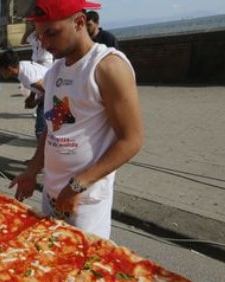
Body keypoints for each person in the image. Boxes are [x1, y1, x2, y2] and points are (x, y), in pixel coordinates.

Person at [10, 0, 143, 239]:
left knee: (81, 267)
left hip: (84, 199)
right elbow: (50, 131)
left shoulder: (108, 67)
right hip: (52, 193)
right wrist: (32, 170)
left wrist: (76, 186)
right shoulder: (54, 72)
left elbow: (131, 140)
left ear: (79, 22)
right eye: (40, 35)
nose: (45, 43)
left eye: (51, 32)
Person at [0, 49, 48, 139]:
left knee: (40, 131)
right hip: (46, 95)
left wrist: (35, 102)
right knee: (43, 128)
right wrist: (32, 96)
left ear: (9, 68)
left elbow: (50, 92)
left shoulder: (27, 76)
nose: (0, 73)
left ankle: (45, 149)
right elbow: (36, 82)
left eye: (1, 70)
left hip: (56, 96)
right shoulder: (21, 66)